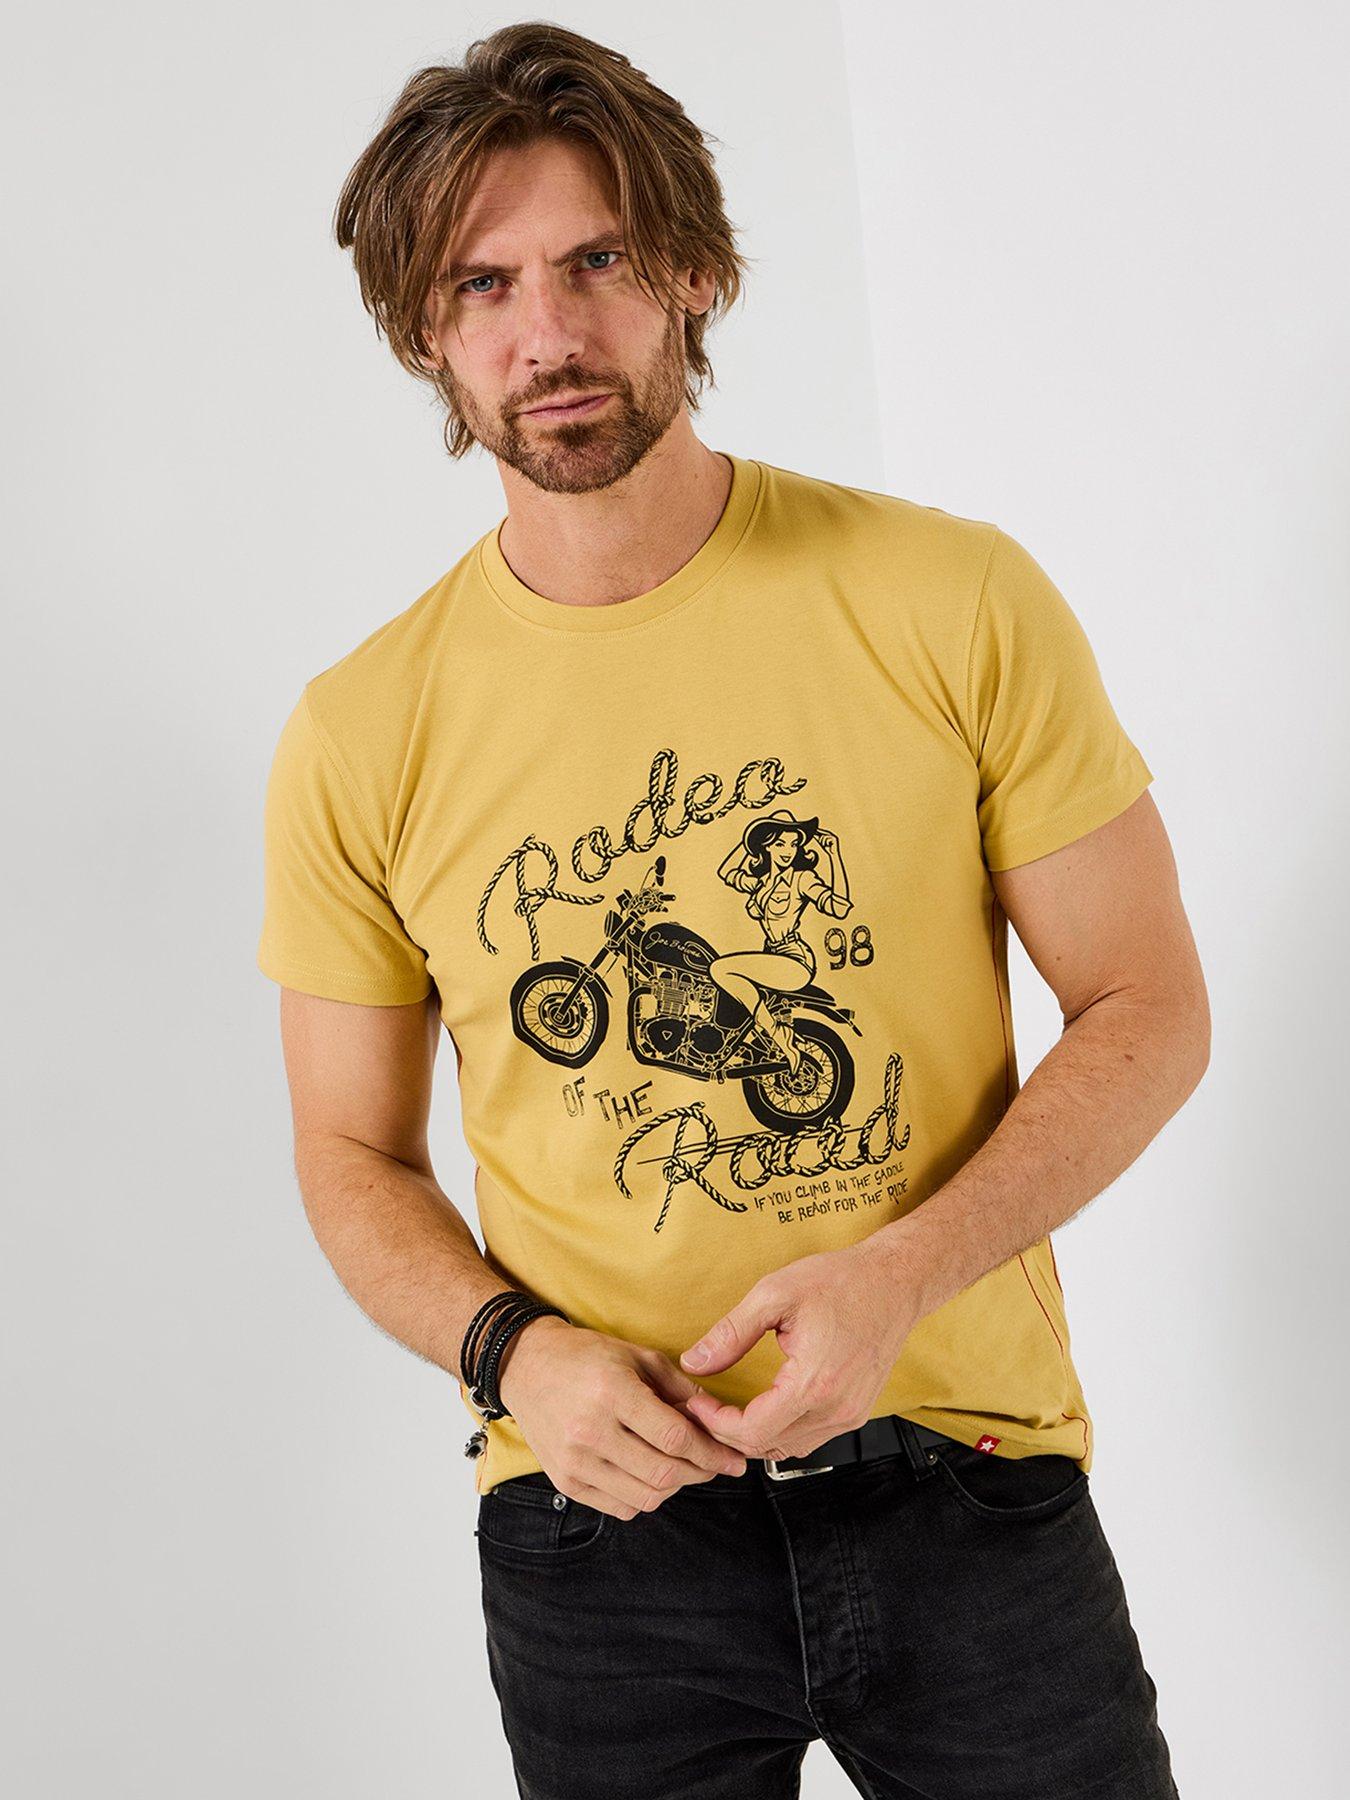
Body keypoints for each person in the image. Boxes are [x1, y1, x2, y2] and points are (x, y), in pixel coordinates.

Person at [255, 21, 1206, 1799]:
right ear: (424, 334)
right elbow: (348, 1151)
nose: (546, 331)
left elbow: (1146, 1005)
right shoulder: (361, 729)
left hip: (961, 1468)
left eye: (597, 260)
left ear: (692, 270)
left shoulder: (947, 597)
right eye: (480, 285)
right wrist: (515, 1357)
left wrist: (900, 1278)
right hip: (596, 1520)